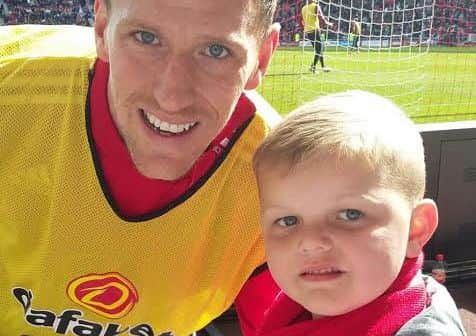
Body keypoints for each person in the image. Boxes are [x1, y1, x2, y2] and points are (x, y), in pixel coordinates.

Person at [0, 0, 281, 334]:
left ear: (261, 58)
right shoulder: (12, 94)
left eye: (216, 51)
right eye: (146, 38)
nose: (171, 96)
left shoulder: (281, 180)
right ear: (102, 29)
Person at [235, 90, 467, 335]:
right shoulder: (300, 307)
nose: (311, 242)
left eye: (350, 215)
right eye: (288, 220)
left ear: (415, 228)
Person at [301, 0, 333, 73]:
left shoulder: (303, 8)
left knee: (319, 49)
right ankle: (313, 67)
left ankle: (323, 67)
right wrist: (328, 23)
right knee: (319, 49)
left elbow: (302, 21)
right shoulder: (316, 6)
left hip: (308, 31)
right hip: (315, 30)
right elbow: (321, 17)